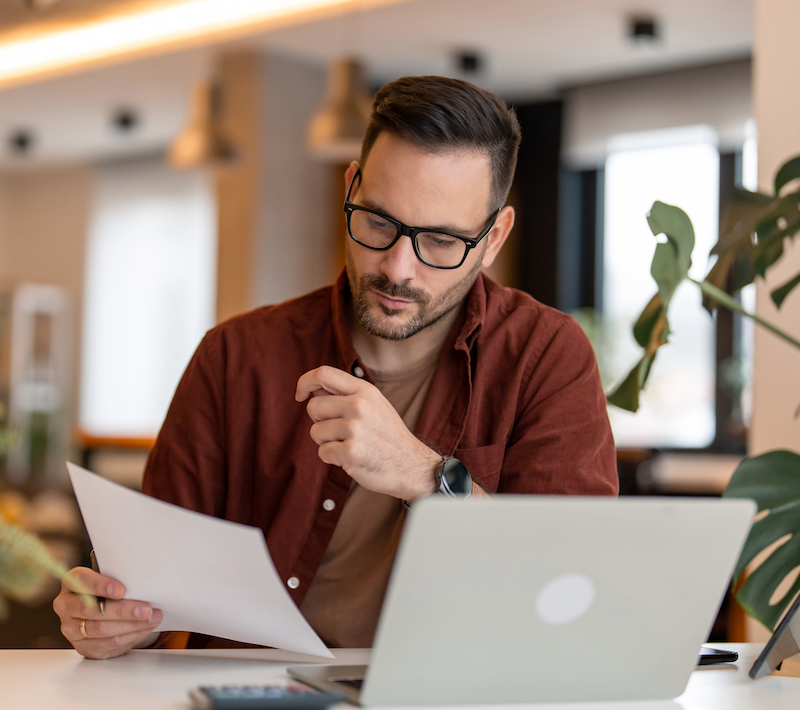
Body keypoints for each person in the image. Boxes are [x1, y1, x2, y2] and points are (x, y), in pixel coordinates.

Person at [54, 76, 618, 659]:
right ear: (351, 187)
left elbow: (571, 588)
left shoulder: (547, 356)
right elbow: (152, 585)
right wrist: (120, 620)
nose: (399, 268)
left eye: (442, 241)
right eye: (378, 222)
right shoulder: (235, 357)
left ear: (494, 237)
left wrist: (425, 477)